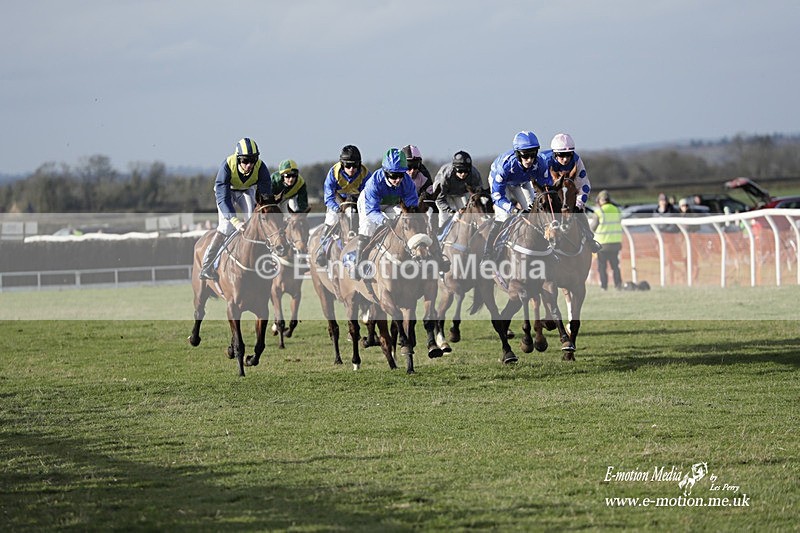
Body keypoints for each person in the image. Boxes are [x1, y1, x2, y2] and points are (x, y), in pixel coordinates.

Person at [199, 137, 272, 280]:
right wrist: (235, 220)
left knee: (255, 223)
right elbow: (223, 199)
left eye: (253, 160)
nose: (250, 164)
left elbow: (265, 195)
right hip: (227, 193)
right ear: (238, 159)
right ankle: (207, 265)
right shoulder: (226, 166)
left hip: (246, 190)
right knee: (226, 227)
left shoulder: (261, 167)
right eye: (245, 160)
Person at [484, 131, 552, 259]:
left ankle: (543, 248)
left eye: (533, 155)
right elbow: (497, 196)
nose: (530, 160)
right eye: (525, 156)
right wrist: (513, 209)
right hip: (502, 185)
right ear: (517, 154)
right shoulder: (504, 166)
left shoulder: (541, 163)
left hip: (522, 182)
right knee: (503, 216)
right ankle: (488, 254)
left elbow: (546, 190)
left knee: (534, 212)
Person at [354, 148, 419, 278]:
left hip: (391, 203)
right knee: (368, 227)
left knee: (404, 221)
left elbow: (412, 207)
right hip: (370, 205)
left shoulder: (407, 182)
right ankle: (359, 263)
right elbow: (372, 211)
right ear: (385, 172)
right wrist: (383, 220)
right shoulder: (374, 183)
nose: (398, 179)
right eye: (393, 176)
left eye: (401, 175)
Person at [542, 133, 601, 252]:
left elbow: (584, 185)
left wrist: (577, 204)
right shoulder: (544, 161)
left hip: (566, 192)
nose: (565, 159)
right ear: (555, 154)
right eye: (561, 155)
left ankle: (589, 237)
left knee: (579, 210)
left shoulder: (576, 161)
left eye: (569, 155)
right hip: (546, 189)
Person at [315, 145, 370, 266]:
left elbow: (369, 196)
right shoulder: (333, 173)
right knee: (331, 218)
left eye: (355, 166)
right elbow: (328, 198)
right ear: (342, 164)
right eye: (348, 166)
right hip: (338, 200)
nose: (351, 169)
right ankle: (322, 250)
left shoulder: (366, 174)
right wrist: (337, 209)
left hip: (357, 200)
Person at [433, 150, 484, 230]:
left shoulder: (474, 174)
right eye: (460, 171)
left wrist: (465, 208)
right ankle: (440, 236)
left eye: (466, 171)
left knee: (467, 216)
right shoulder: (445, 176)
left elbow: (477, 194)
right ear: (454, 168)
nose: (463, 174)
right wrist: (451, 212)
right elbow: (439, 199)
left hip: (461, 194)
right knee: (444, 219)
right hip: (444, 196)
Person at [590, 190, 623, 290]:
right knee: (615, 266)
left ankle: (604, 287)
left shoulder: (599, 212)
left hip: (603, 245)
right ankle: (618, 285)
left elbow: (593, 228)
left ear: (600, 200)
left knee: (602, 267)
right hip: (615, 243)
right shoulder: (617, 210)